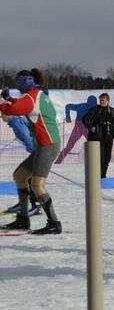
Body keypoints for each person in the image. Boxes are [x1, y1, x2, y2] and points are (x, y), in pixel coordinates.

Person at [0, 69, 62, 234]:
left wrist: (2, 101)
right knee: (20, 176)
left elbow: (12, 110)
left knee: (37, 185)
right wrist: (8, 98)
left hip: (47, 145)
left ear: (22, 82)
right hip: (45, 144)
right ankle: (23, 219)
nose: (16, 85)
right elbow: (21, 105)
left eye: (18, 82)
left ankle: (54, 223)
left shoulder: (30, 97)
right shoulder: (38, 94)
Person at [1, 110, 42, 216]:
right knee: (23, 176)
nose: (1, 117)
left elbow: (26, 136)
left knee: (27, 177)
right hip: (36, 150)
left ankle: (35, 206)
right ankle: (23, 203)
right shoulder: (15, 120)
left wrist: (34, 153)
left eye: (3, 114)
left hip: (37, 151)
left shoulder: (15, 121)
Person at [82, 93, 114, 178]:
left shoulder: (112, 110)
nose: (101, 102)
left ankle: (103, 175)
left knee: (107, 158)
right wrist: (91, 127)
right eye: (100, 100)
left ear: (108, 100)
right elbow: (85, 119)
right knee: (100, 158)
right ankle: (97, 177)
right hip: (97, 138)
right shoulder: (95, 110)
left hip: (109, 138)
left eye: (103, 100)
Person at [55, 95, 98, 164]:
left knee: (70, 145)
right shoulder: (95, 107)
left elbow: (68, 106)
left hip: (79, 127)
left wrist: (67, 115)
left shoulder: (81, 106)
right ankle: (96, 161)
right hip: (86, 127)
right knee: (94, 144)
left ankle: (58, 161)